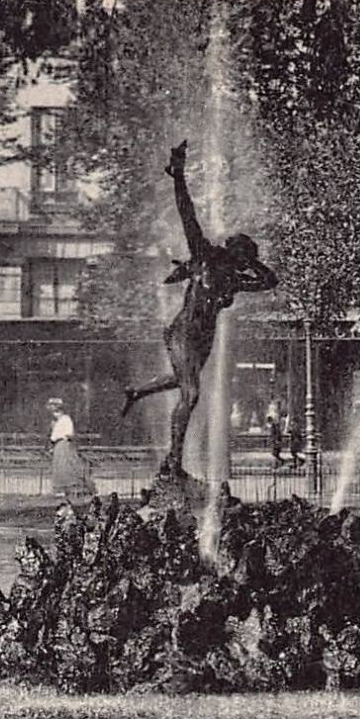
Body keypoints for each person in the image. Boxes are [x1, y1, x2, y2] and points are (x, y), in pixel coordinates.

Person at [121, 141, 278, 478]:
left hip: (203, 340)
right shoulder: (204, 256)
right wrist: (178, 175)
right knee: (190, 393)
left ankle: (138, 392)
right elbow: (186, 213)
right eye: (242, 254)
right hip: (183, 332)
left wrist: (255, 262)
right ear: (232, 250)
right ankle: (174, 462)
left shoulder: (234, 280)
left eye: (246, 258)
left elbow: (269, 281)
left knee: (184, 382)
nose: (243, 261)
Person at [46, 397, 95, 504]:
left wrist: (62, 439)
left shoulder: (66, 419)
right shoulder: (56, 421)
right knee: (60, 467)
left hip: (64, 444)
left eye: (55, 411)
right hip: (58, 445)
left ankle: (78, 488)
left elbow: (69, 433)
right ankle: (62, 490)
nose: (54, 414)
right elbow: (53, 436)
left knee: (69, 466)